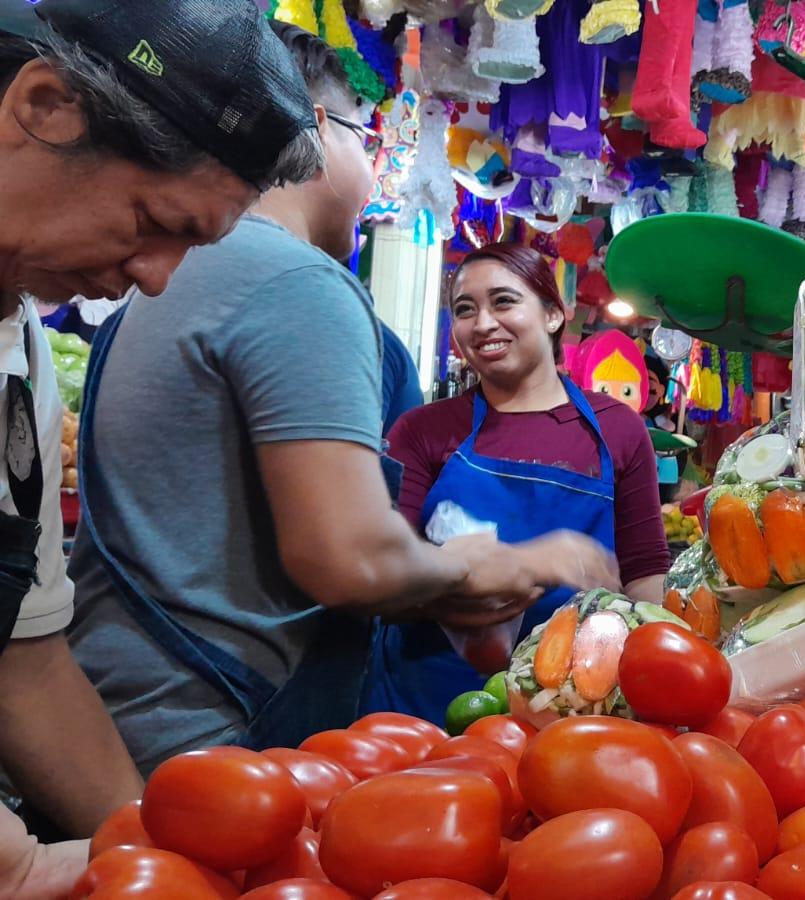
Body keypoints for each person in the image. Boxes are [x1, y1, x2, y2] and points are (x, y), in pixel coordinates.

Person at [66, 23, 619, 779]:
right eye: (369, 141)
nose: (374, 174)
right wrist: (497, 564)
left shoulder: (166, 279)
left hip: (118, 718)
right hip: (224, 731)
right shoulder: (298, 283)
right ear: (320, 130)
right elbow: (350, 558)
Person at [0, 0, 332, 889]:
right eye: (158, 221)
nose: (154, 277)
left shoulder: (22, 354)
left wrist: (155, 859)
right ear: (44, 107)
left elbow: (24, 664)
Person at [366, 242, 670, 721]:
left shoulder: (618, 428)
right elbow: (382, 576)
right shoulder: (422, 430)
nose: (483, 323)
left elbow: (646, 572)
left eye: (503, 301)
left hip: (574, 705)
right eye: (465, 309)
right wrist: (529, 562)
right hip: (425, 705)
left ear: (553, 315)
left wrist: (668, 666)